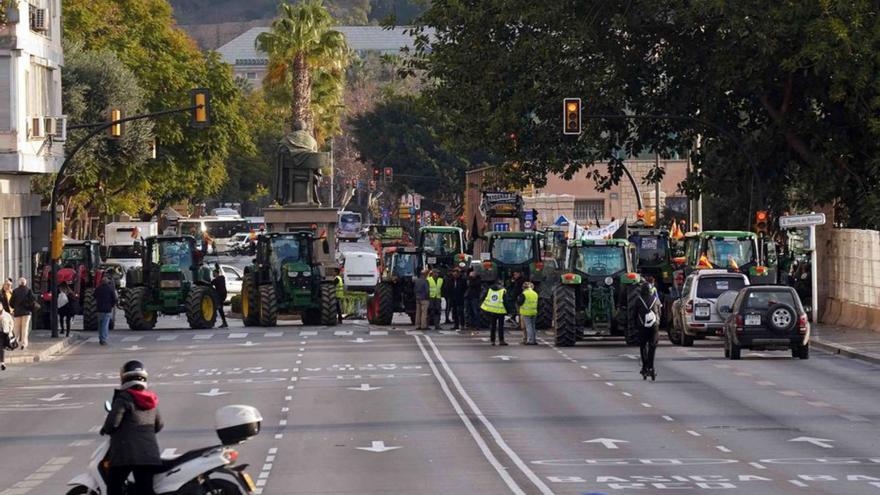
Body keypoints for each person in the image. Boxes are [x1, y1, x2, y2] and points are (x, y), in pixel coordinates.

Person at [101, 360, 164, 495]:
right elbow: (159, 425)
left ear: (124, 377)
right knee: (145, 489)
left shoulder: (124, 398)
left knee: (114, 486)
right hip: (149, 454)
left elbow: (112, 423)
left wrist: (105, 429)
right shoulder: (151, 399)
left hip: (126, 455)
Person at [636, 276, 661, 380]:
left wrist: (636, 326)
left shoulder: (638, 300)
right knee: (652, 347)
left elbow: (634, 314)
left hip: (642, 327)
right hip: (654, 326)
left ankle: (645, 367)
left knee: (643, 347)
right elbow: (659, 313)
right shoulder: (655, 300)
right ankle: (651, 367)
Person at [481, 280, 508, 345]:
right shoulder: (503, 290)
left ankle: (492, 341)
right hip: (500, 310)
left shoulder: (489, 290)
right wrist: (508, 310)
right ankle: (501, 340)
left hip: (491, 309)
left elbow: (482, 297)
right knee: (501, 326)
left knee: (493, 325)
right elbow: (506, 301)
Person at [10, 277, 35, 350]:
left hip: (17, 312)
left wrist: (15, 307)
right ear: (25, 283)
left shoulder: (15, 291)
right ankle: (24, 344)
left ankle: (15, 343)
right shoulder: (28, 290)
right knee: (25, 328)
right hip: (26, 313)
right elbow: (33, 300)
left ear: (19, 283)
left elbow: (11, 303)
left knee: (16, 328)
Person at [95, 277, 117, 346]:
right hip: (107, 310)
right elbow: (114, 299)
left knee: (100, 325)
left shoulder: (98, 288)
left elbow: (94, 296)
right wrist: (112, 305)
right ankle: (103, 339)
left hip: (99, 309)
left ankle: (100, 338)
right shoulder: (110, 289)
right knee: (105, 325)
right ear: (107, 282)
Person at [0, 303, 13, 371]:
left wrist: (10, 331)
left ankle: (2, 363)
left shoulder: (6, 315)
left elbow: (11, 323)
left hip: (4, 333)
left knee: (1, 348)